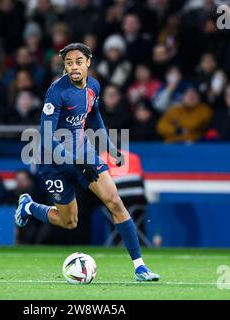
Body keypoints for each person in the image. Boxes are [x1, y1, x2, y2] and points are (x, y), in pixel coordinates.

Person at [14, 43, 160, 281]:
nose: (73, 66)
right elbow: (48, 136)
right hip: (54, 161)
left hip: (83, 152)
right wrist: (75, 162)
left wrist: (111, 149)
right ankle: (29, 206)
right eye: (69, 62)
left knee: (114, 201)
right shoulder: (56, 92)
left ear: (88, 62)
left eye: (78, 61)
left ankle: (140, 267)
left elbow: (94, 116)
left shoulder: (93, 86)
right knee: (69, 221)